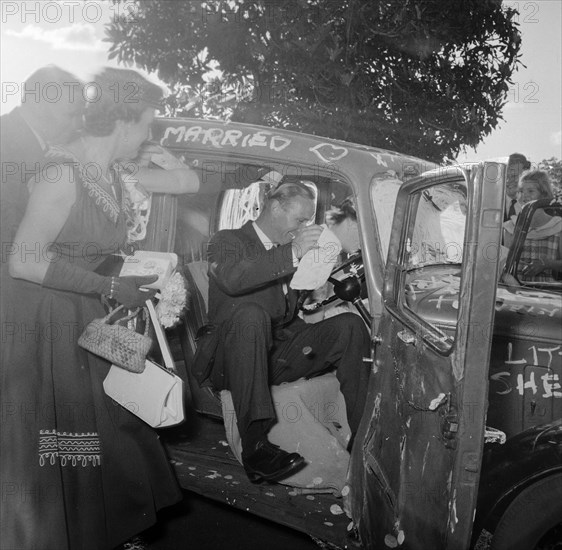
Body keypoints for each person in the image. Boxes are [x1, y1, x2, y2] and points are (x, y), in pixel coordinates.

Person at [1, 67, 181, 550]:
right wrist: (108, 285)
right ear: (123, 123)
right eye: (146, 125)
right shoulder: (62, 171)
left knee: (111, 430)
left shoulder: (109, 173)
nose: (148, 136)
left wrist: (128, 278)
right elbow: (24, 261)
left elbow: (91, 245)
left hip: (87, 317)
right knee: (72, 439)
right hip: (51, 323)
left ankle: (98, 529)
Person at [193, 182, 371, 484]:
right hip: (231, 361)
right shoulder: (226, 240)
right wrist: (294, 252)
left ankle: (366, 437)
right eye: (300, 220)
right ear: (275, 208)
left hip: (271, 355)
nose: (303, 228)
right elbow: (234, 279)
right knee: (250, 315)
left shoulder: (286, 254)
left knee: (349, 326)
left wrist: (311, 275)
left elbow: (285, 319)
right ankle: (256, 448)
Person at [0, 65, 84, 244]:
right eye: (72, 115)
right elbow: (9, 235)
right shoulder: (7, 147)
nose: (78, 124)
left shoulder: (28, 142)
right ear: (37, 105)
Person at [503, 170, 562, 282]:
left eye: (530, 191)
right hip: (515, 293)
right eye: (521, 191)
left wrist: (546, 264)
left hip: (547, 294)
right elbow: (504, 267)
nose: (524, 196)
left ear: (544, 194)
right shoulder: (511, 227)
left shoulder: (558, 226)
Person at [504, 153, 531, 222]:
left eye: (514, 176)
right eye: (506, 176)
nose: (508, 180)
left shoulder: (531, 204)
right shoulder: (492, 202)